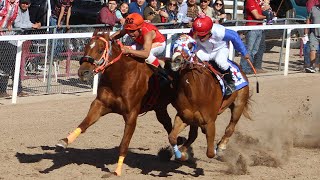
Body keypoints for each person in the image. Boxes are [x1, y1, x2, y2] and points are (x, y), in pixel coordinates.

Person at [190, 15, 250, 95]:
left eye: (203, 35)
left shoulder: (220, 31)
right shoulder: (193, 32)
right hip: (204, 51)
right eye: (198, 35)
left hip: (220, 50)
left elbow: (235, 37)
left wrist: (244, 52)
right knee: (192, 59)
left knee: (221, 62)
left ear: (210, 30)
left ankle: (230, 83)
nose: (200, 38)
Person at [0, 0, 29, 98]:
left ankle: (17, 90)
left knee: (15, 67)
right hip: (7, 40)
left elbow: (15, 21)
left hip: (11, 40)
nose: (25, 5)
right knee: (5, 67)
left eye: (27, 3)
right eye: (24, 3)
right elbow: (17, 24)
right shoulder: (3, 3)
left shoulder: (16, 6)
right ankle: (2, 90)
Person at [240, 0, 266, 74]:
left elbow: (264, 10)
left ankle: (248, 68)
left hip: (259, 28)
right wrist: (267, 16)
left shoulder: (259, 2)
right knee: (249, 50)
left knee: (254, 50)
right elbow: (256, 16)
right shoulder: (250, 1)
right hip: (252, 28)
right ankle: (243, 68)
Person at [304, 0, 320, 73]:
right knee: (312, 49)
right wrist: (306, 33)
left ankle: (317, 66)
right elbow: (308, 19)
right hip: (314, 33)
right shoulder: (313, 8)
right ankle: (312, 66)